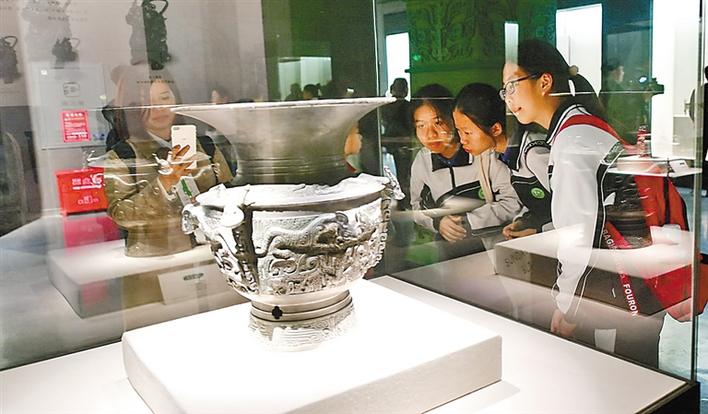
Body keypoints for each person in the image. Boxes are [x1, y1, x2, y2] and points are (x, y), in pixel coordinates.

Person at [502, 39, 665, 366]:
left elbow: (578, 235)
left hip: (619, 288)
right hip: (638, 277)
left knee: (622, 379)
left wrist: (567, 308)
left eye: (512, 85)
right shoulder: (582, 124)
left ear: (544, 82)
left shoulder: (571, 141)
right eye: (504, 90)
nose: (508, 97)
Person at [103, 66, 233, 257]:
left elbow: (230, 193)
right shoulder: (122, 155)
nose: (159, 107)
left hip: (209, 250)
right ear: (134, 108)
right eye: (148, 102)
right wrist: (163, 184)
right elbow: (120, 214)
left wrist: (207, 202)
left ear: (176, 99)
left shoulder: (205, 147)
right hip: (152, 254)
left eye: (165, 98)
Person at [409, 84, 521, 258]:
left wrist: (470, 220)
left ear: (453, 119)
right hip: (449, 254)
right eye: (421, 125)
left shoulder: (483, 152)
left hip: (494, 250)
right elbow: (417, 206)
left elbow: (513, 202)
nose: (430, 134)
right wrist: (438, 222)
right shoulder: (422, 162)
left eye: (438, 122)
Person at [453, 83, 552, 239]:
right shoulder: (505, 156)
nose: (462, 140)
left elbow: (575, 208)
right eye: (459, 131)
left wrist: (540, 231)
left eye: (467, 132)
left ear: (495, 129)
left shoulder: (534, 154)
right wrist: (524, 221)